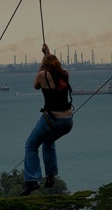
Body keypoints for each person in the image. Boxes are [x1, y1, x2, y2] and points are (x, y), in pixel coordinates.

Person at [21, 43, 74, 196]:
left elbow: (35, 85)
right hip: (68, 121)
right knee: (48, 142)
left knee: (30, 146)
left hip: (52, 119)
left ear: (44, 66)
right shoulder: (65, 73)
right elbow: (54, 71)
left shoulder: (42, 75)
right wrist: (48, 55)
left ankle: (31, 181)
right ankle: (50, 176)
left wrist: (42, 64)